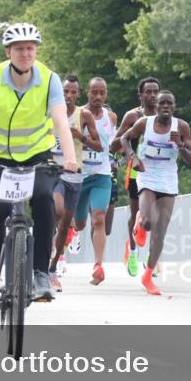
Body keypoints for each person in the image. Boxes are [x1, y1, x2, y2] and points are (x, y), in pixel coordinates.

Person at [0, 22, 79, 314]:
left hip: (36, 154)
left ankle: (40, 275)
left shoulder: (49, 79)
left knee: (44, 201)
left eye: (30, 48)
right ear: (8, 52)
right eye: (19, 49)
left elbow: (60, 122)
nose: (25, 53)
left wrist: (70, 158)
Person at [120, 90, 191, 295]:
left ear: (174, 107)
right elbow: (124, 139)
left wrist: (180, 145)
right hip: (148, 176)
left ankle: (148, 276)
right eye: (162, 103)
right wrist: (133, 157)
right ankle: (139, 223)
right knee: (147, 222)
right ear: (156, 107)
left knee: (160, 230)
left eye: (169, 104)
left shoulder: (181, 127)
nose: (165, 107)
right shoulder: (145, 123)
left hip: (168, 179)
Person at [48, 75, 101, 292]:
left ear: (78, 95)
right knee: (57, 211)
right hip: (54, 173)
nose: (68, 95)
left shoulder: (84, 115)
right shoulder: (49, 112)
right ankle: (43, 253)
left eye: (72, 92)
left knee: (64, 227)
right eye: (65, 91)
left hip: (75, 175)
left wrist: (82, 137)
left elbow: (99, 146)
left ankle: (52, 268)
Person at [110, 77, 159, 276]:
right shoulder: (133, 116)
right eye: (148, 92)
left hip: (159, 172)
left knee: (156, 216)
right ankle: (132, 252)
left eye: (155, 91)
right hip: (136, 171)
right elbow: (115, 143)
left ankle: (153, 258)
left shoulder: (164, 115)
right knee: (136, 213)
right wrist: (129, 152)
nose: (152, 95)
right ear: (140, 95)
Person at [73, 77, 118, 284]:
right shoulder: (79, 114)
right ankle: (72, 230)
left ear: (106, 94)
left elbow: (110, 144)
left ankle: (98, 265)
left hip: (102, 175)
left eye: (102, 92)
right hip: (79, 176)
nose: (98, 96)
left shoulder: (111, 117)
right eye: (94, 92)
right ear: (87, 93)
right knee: (80, 223)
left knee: (99, 217)